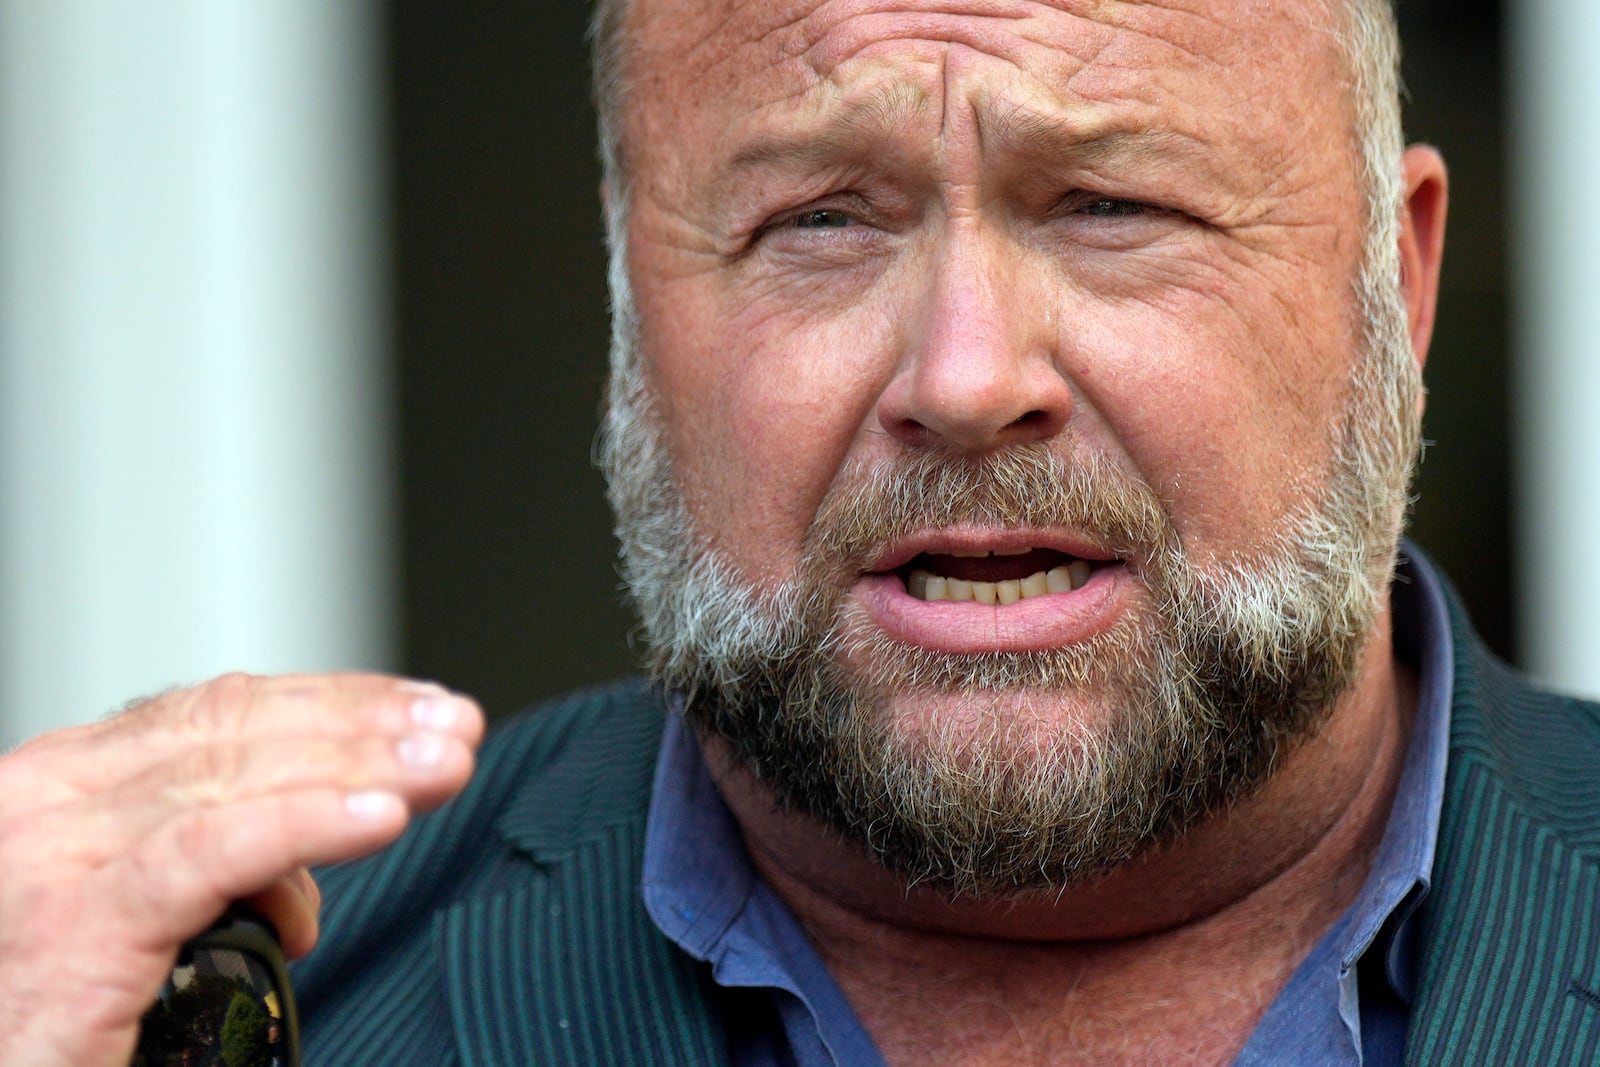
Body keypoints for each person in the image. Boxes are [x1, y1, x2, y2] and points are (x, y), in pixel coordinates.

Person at [2, 0, 1596, 1063]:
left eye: (1112, 208)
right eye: (818, 222)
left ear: (1396, 284)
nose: (967, 377)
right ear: (631, 320)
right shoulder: (224, 1005)